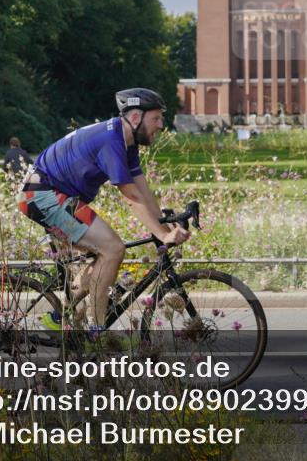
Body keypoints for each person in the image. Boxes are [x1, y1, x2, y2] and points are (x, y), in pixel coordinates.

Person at [18, 89, 190, 336]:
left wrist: (164, 223)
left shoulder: (126, 142)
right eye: (157, 118)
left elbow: (142, 190)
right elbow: (131, 198)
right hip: (42, 195)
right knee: (112, 248)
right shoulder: (111, 141)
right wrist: (163, 236)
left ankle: (60, 316)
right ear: (134, 117)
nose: (162, 125)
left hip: (54, 195)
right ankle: (97, 335)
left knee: (105, 255)